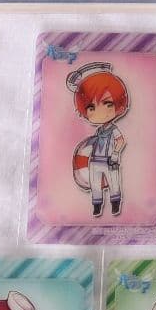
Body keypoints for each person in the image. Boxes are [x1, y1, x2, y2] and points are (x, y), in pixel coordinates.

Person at [67, 62, 129, 217]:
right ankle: (97, 205)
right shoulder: (99, 130)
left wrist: (115, 154)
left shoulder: (113, 129)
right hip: (95, 161)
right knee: (95, 185)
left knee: (114, 183)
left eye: (107, 104)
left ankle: (115, 203)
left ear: (118, 105)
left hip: (109, 161)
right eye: (91, 108)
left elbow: (121, 141)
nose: (99, 112)